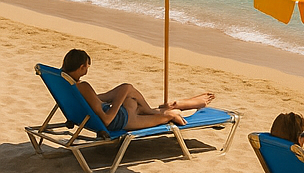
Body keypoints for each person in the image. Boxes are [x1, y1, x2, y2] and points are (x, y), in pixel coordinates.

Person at [61, 49, 214, 130]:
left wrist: (116, 98)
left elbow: (92, 101)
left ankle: (166, 107)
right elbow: (107, 120)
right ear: (81, 67)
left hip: (102, 115)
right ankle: (170, 108)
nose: (87, 70)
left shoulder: (63, 82)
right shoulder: (83, 86)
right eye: (87, 67)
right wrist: (117, 102)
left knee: (128, 94)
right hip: (120, 120)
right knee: (168, 115)